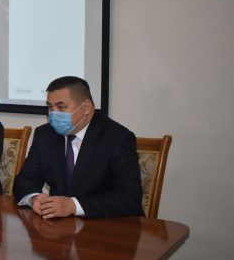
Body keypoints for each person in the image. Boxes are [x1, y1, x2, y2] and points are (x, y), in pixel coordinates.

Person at [14, 76, 144, 219]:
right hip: (57, 225)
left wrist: (74, 205)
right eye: (50, 107)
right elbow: (25, 180)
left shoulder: (118, 138)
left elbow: (129, 198)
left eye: (61, 107)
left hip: (105, 224)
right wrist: (34, 198)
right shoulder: (45, 134)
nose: (53, 114)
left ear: (86, 108)